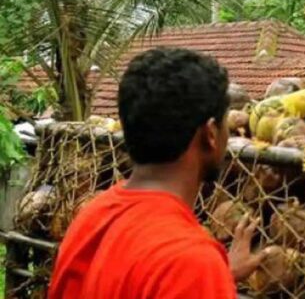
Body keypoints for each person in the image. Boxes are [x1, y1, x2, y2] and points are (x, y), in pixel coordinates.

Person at [49, 47, 266, 299]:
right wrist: (207, 279)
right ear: (210, 134)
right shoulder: (191, 262)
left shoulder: (92, 217)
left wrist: (220, 276)